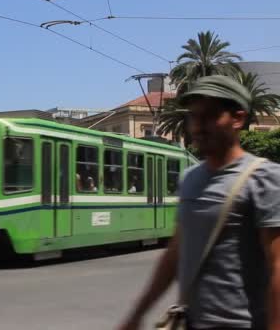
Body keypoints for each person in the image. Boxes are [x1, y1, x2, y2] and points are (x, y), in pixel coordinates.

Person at [117, 75, 280, 330]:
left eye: (210, 116)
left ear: (237, 118)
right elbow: (175, 254)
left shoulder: (264, 179)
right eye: (193, 116)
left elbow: (277, 269)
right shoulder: (191, 178)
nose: (198, 126)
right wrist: (137, 313)